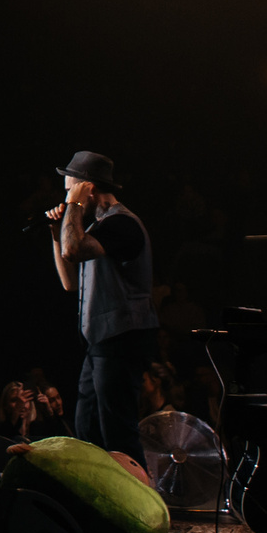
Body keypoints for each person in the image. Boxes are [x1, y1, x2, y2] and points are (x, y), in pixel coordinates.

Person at [45, 150, 158, 453]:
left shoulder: (122, 224)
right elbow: (70, 282)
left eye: (70, 189)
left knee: (118, 435)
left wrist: (72, 206)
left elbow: (74, 250)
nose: (65, 196)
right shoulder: (96, 228)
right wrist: (57, 234)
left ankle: (137, 498)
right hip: (99, 342)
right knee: (88, 427)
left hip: (121, 340)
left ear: (88, 188)